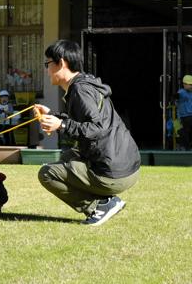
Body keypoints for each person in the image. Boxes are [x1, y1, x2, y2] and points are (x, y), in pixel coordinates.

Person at [35, 39, 140, 226]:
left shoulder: (80, 90)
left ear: (62, 62)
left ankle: (99, 205)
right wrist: (53, 116)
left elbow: (98, 128)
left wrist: (62, 125)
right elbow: (89, 122)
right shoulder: (86, 84)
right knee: (66, 158)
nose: (46, 69)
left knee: (47, 173)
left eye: (47, 64)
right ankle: (105, 200)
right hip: (127, 165)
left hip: (114, 173)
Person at [176, 75, 192, 150]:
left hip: (190, 115)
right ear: (184, 84)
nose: (191, 86)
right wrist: (175, 97)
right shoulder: (181, 92)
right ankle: (186, 146)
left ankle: (185, 144)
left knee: (187, 131)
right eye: (190, 85)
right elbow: (177, 96)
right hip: (184, 116)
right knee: (186, 131)